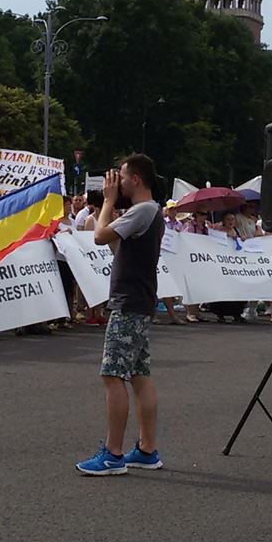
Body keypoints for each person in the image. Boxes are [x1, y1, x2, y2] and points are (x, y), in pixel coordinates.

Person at [77, 153, 166, 476]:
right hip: (139, 301)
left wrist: (107, 202)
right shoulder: (150, 211)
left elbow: (99, 236)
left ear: (136, 179)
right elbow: (118, 247)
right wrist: (113, 207)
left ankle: (113, 453)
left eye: (123, 177)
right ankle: (147, 448)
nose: (118, 183)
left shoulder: (142, 210)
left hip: (128, 304)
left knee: (113, 375)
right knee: (140, 375)